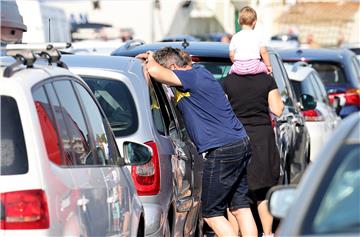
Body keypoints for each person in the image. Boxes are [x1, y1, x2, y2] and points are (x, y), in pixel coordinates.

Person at [136, 47, 258, 237]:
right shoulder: (199, 75)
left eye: (169, 73)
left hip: (222, 149)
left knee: (211, 213)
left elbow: (154, 71)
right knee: (239, 207)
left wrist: (150, 59)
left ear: (175, 67)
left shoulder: (193, 76)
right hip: (238, 143)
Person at [223, 72, 284, 237]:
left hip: (236, 136)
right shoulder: (266, 80)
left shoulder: (227, 82)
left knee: (234, 190)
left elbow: (221, 111)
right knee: (263, 189)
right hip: (262, 139)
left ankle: (235, 233)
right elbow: (278, 109)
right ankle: (267, 233)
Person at [229, 6, 271, 75]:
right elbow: (263, 52)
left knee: (230, 72)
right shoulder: (258, 35)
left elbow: (231, 55)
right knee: (265, 68)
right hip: (254, 66)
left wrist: (238, 64)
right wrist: (268, 66)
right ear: (254, 22)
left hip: (238, 67)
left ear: (239, 22)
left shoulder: (235, 37)